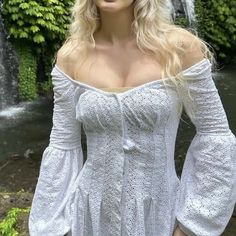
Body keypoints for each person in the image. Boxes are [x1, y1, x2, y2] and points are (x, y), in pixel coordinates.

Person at [28, 0, 236, 235]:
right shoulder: (71, 56)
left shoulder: (180, 48)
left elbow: (215, 135)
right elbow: (62, 145)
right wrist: (54, 227)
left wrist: (192, 226)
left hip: (159, 215)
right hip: (90, 216)